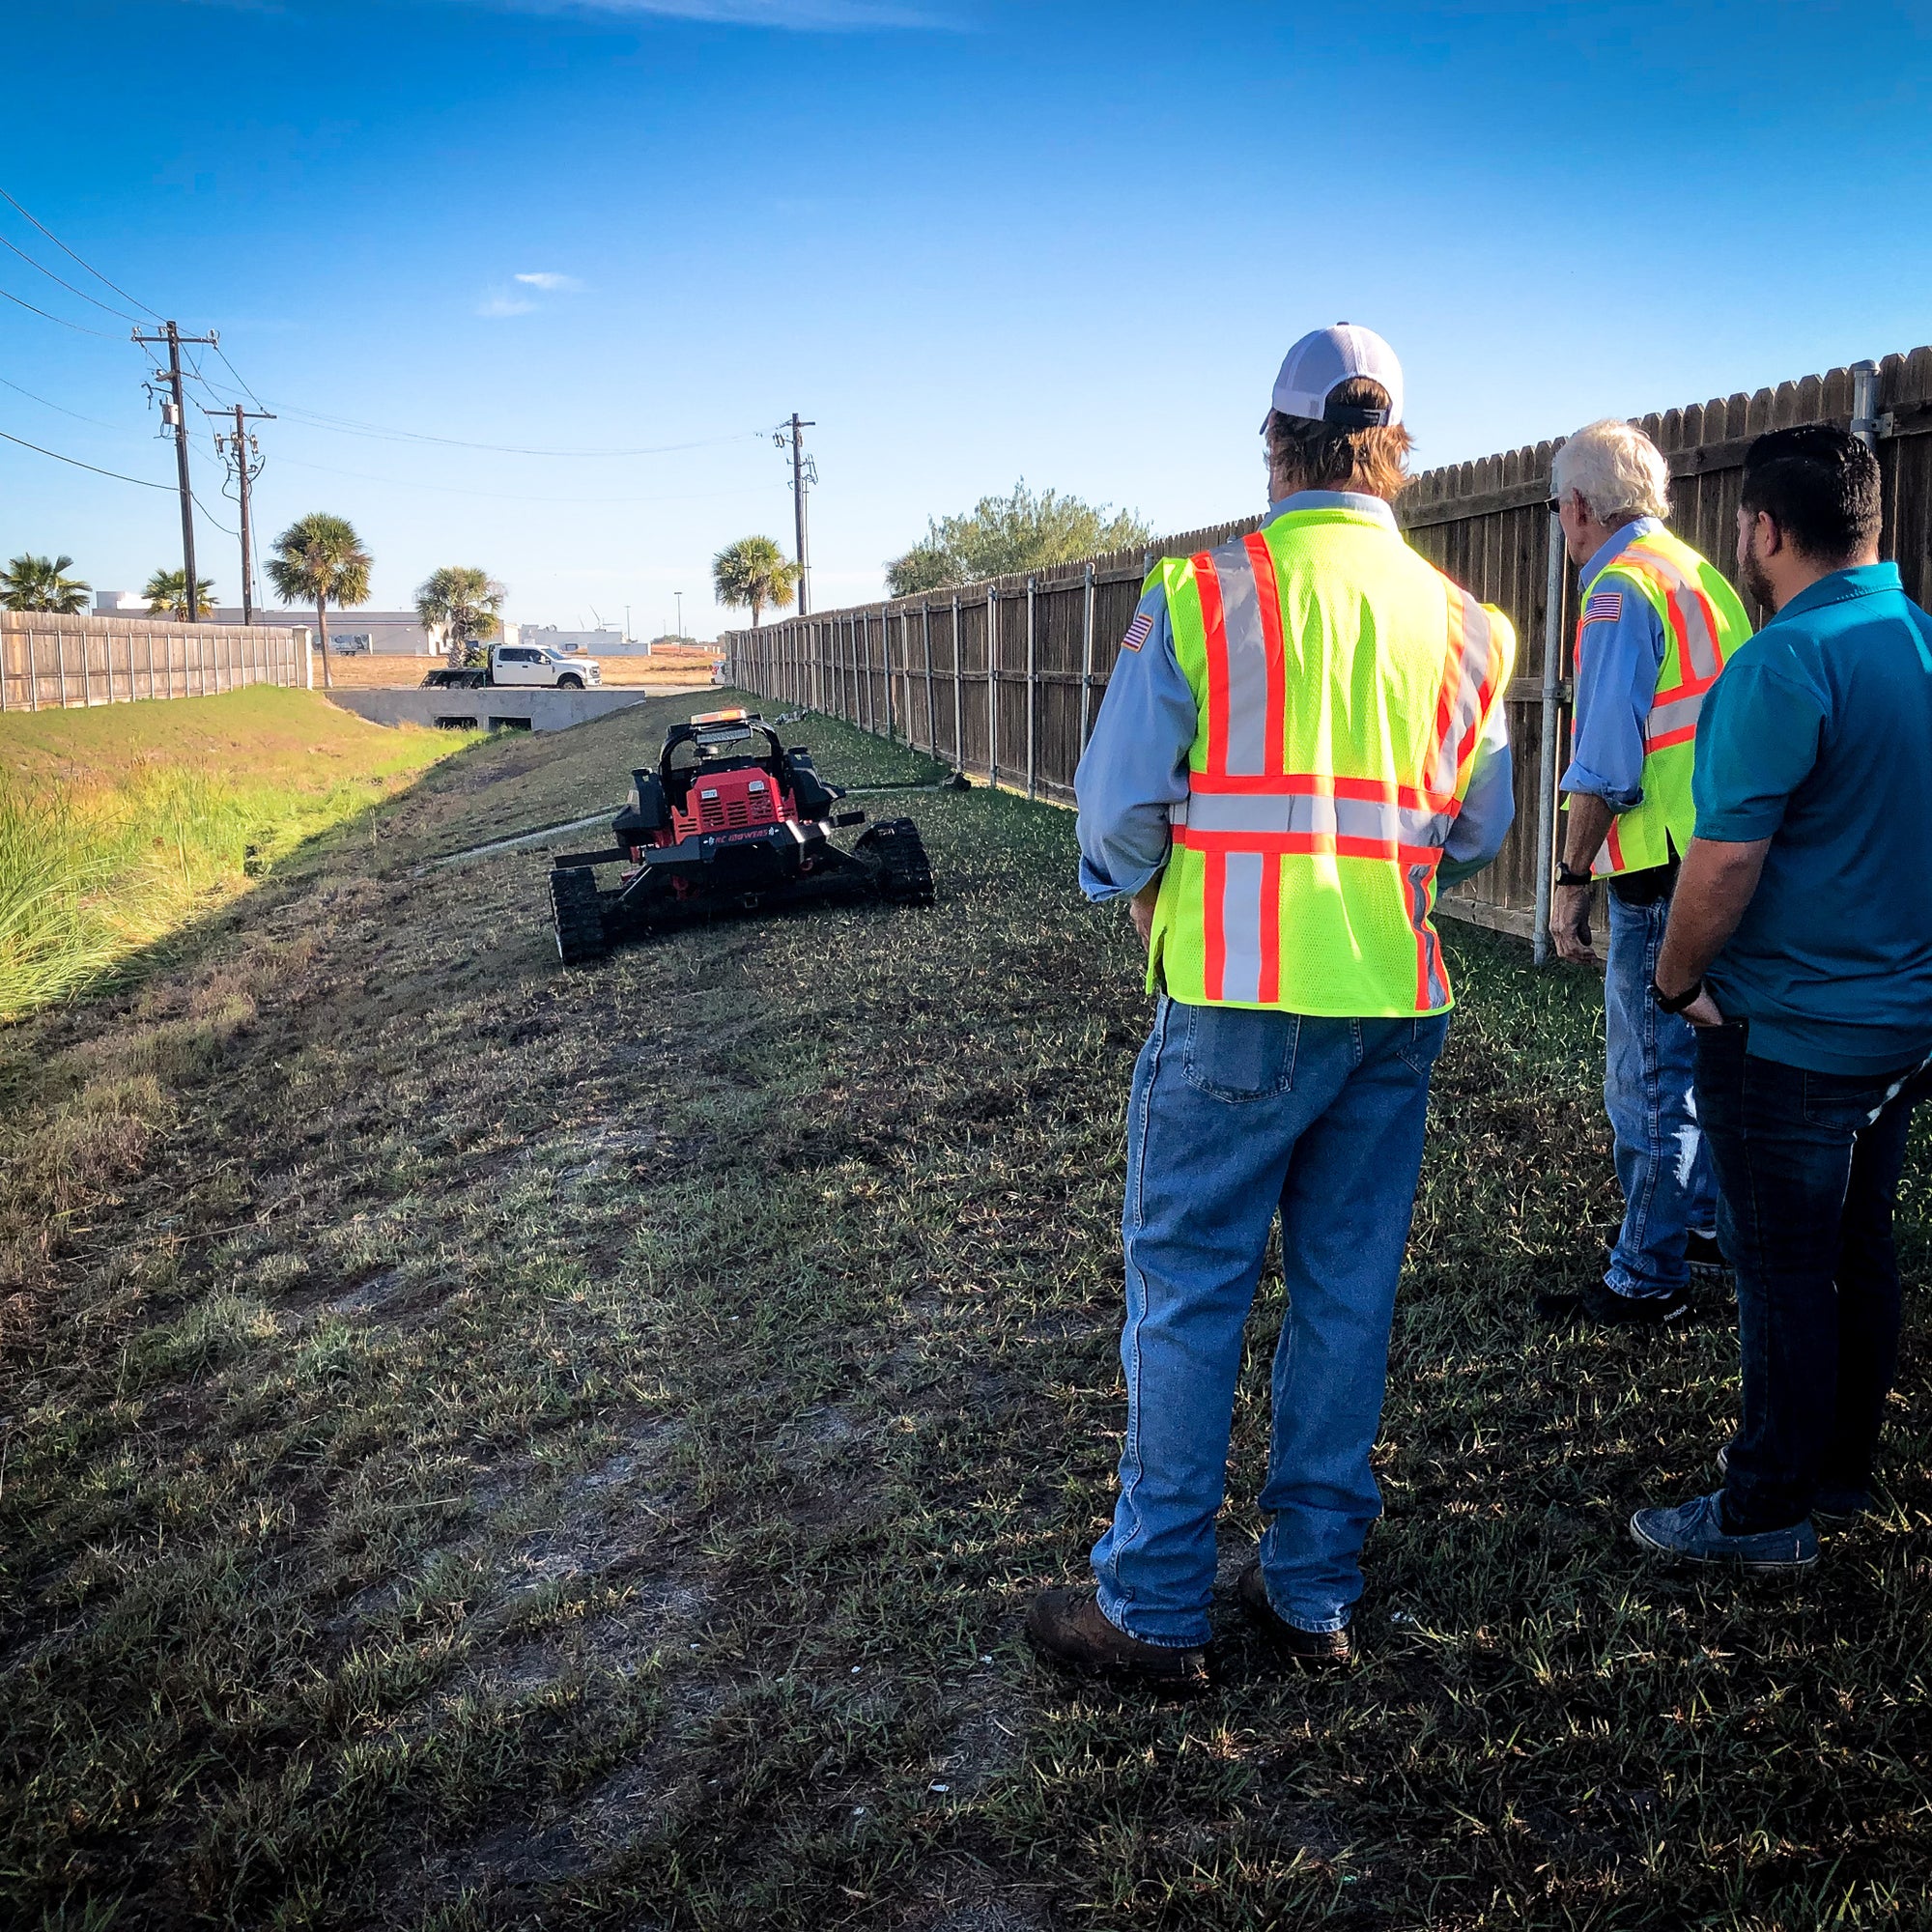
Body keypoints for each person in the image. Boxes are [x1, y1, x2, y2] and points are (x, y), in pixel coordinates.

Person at [1027, 324, 1518, 1687]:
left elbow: (1118, 809)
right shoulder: (1471, 625)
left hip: (1236, 998)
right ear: (1396, 449)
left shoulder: (1201, 596)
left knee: (1189, 1294)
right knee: (1344, 1299)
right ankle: (1310, 1596)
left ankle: (1156, 1606)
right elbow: (1478, 829)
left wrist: (1138, 889)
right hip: (1390, 1006)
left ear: (1276, 441)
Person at [1631, 423, 1932, 1570]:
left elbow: (1720, 863)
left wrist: (1674, 982)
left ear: (1761, 529)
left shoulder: (1779, 663)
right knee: (1860, 1251)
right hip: (1900, 1029)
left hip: (1790, 1036)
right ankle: (1843, 1472)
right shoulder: (1912, 639)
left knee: (1780, 1274)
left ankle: (1762, 1509)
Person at [1546, 421, 1752, 1325]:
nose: (1562, 525)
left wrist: (1567, 877)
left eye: (1561, 508)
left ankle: (1646, 1274)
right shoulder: (1702, 577)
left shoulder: (1616, 592)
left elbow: (1603, 766)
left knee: (1650, 1083)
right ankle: (1697, 1225)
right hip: (1729, 863)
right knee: (1704, 1068)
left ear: (1581, 507)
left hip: (1659, 871)